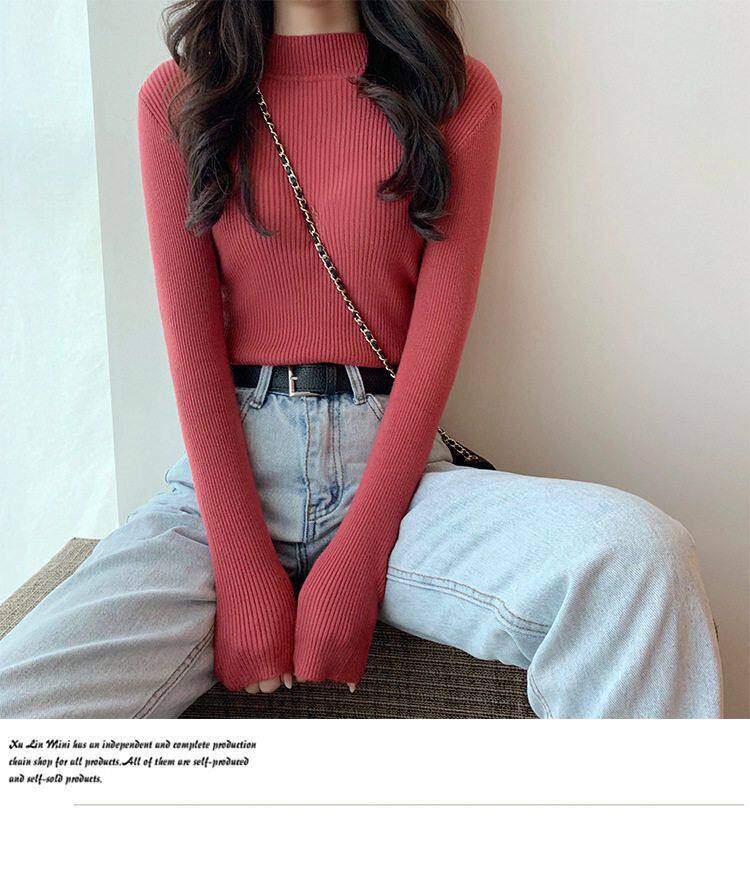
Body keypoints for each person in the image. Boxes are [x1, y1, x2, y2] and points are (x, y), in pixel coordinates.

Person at [0, 0, 723, 718]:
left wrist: (360, 554)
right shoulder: (180, 97)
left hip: (398, 477)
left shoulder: (452, 93)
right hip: (225, 480)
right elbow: (191, 352)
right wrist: (243, 567)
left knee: (639, 558)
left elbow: (436, 343)